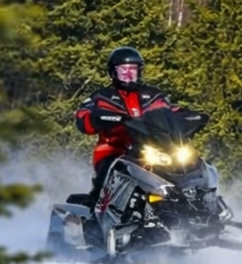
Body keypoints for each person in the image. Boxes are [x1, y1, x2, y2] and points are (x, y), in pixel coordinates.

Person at [74, 46, 195, 211]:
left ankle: (204, 205)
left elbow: (170, 111)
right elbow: (83, 116)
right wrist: (96, 118)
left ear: (140, 71)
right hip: (116, 150)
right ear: (113, 72)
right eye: (123, 69)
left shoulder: (153, 96)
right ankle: (97, 210)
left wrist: (186, 118)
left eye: (133, 69)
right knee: (108, 169)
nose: (128, 74)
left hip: (155, 148)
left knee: (190, 164)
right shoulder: (102, 96)